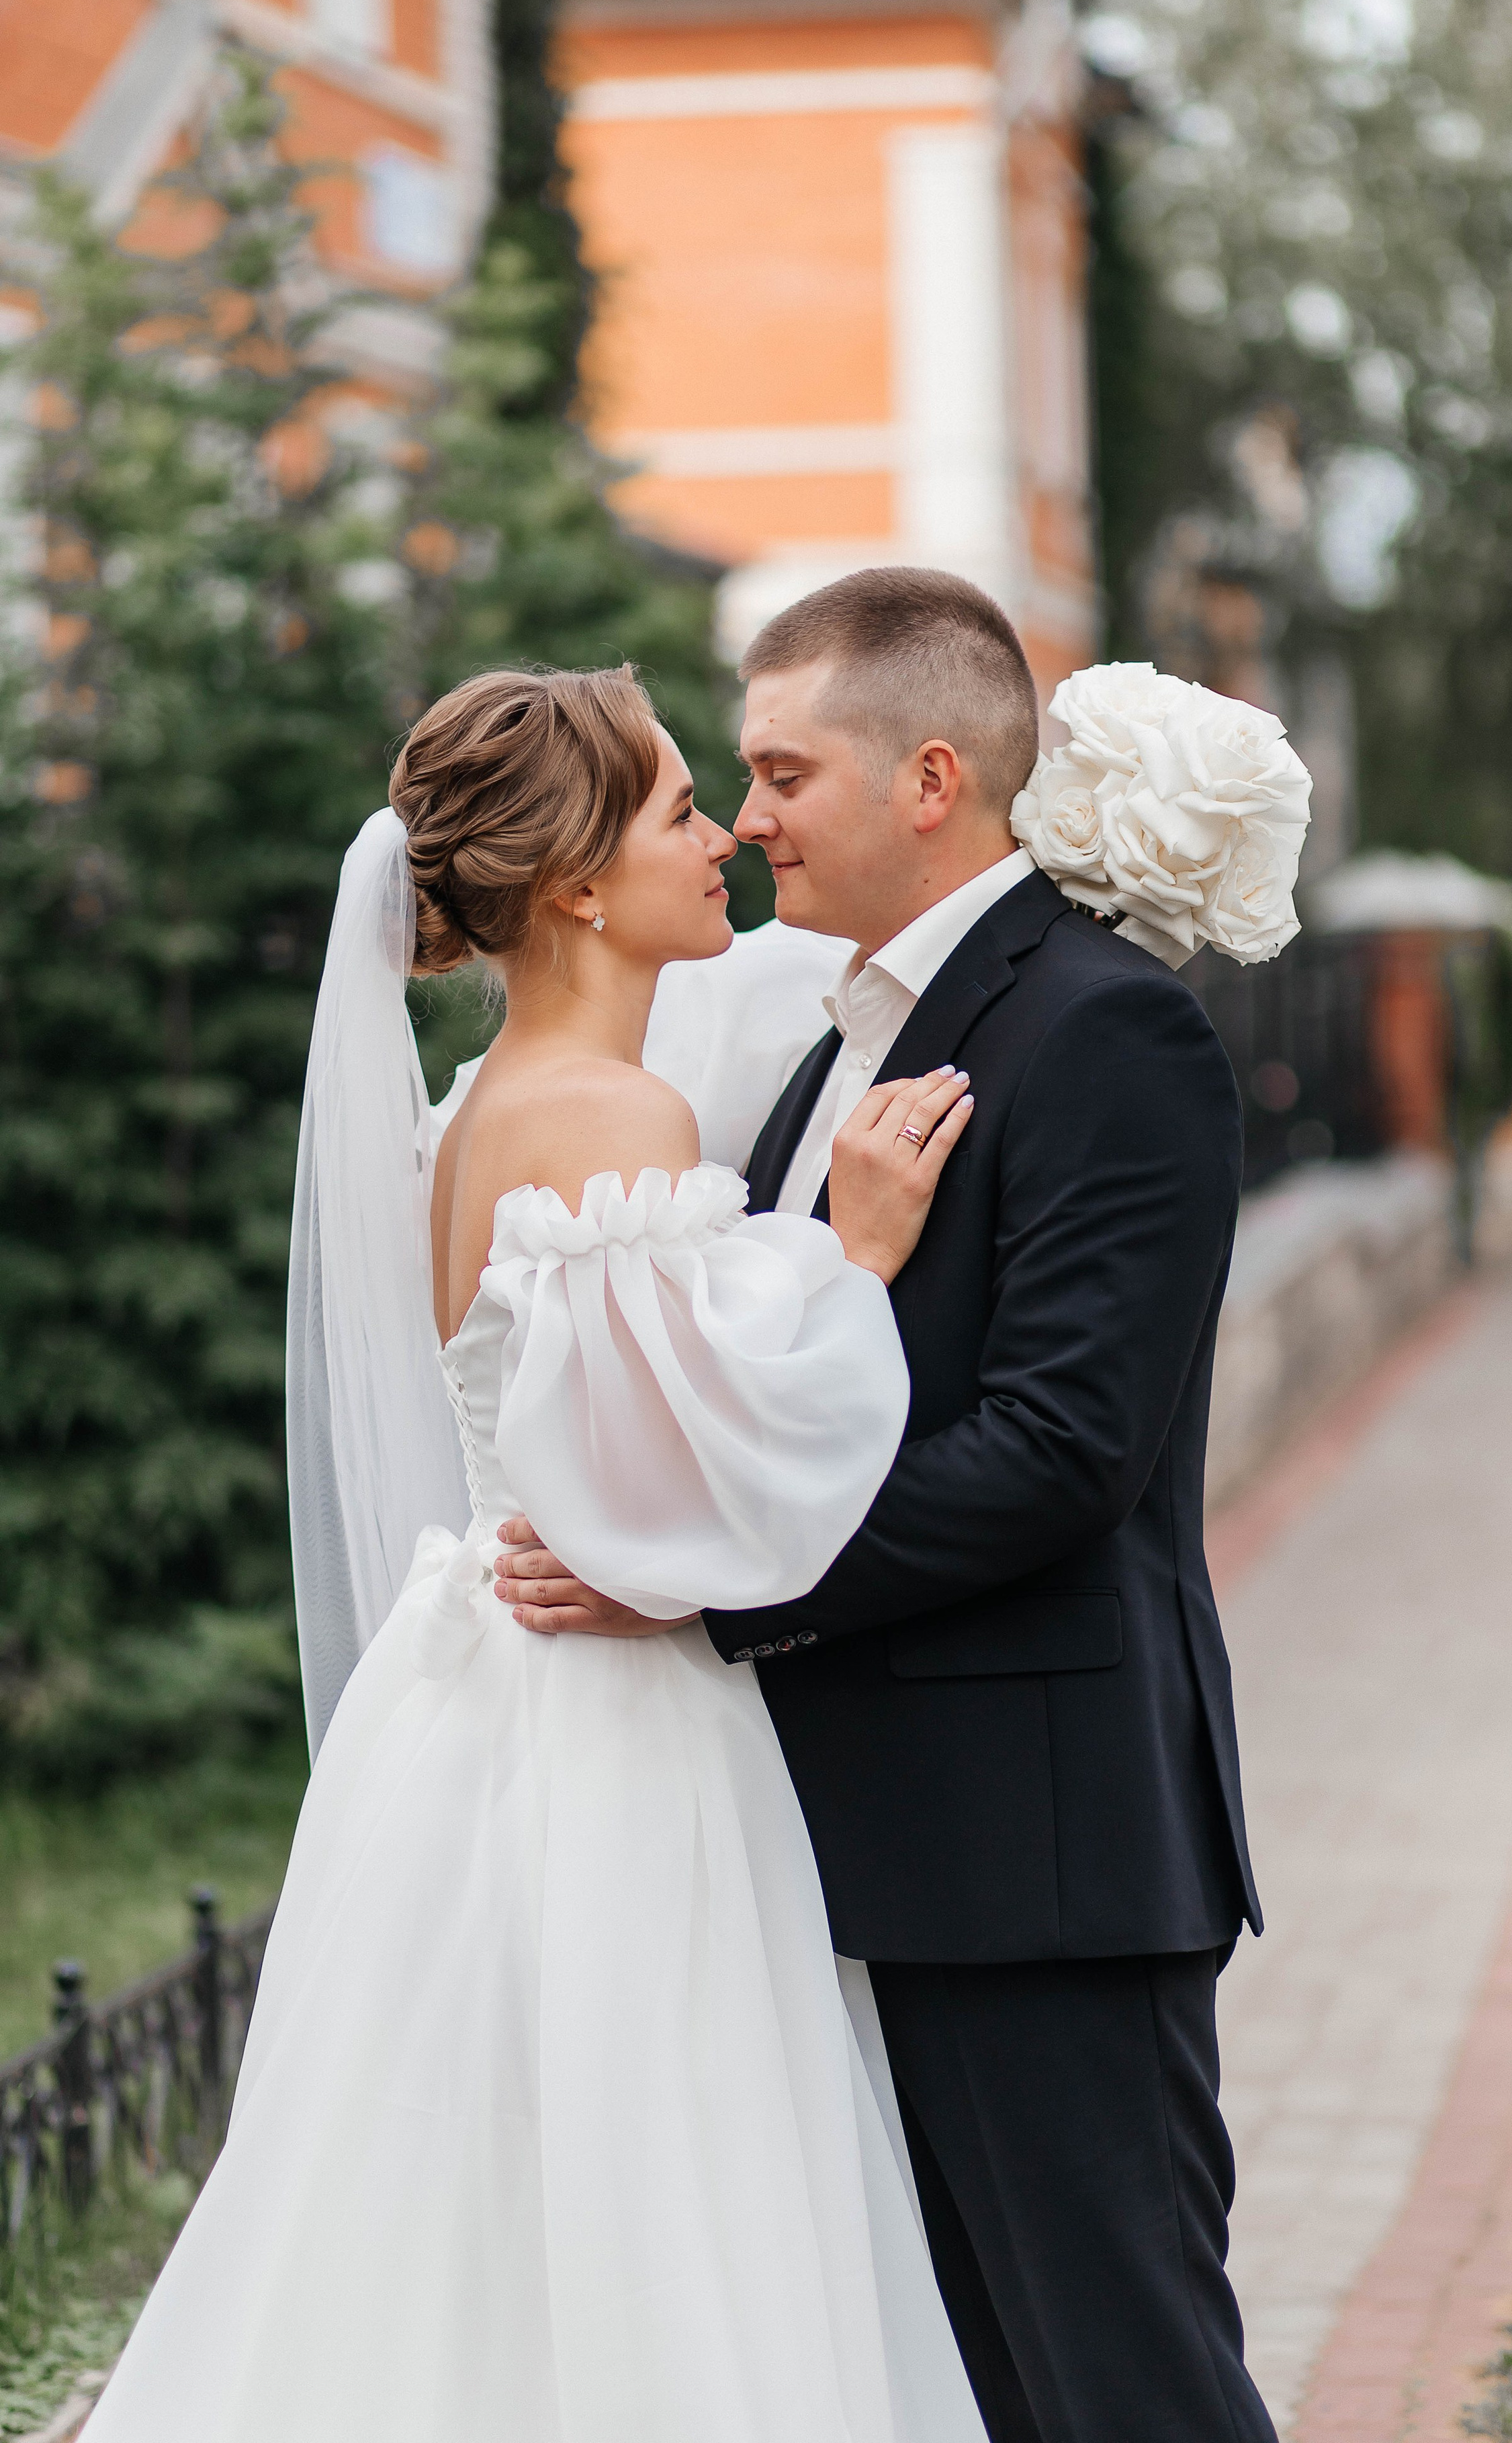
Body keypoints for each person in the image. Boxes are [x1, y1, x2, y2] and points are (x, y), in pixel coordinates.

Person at [84, 666, 990, 2443]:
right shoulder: (608, 1116)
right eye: (681, 810)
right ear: (577, 882)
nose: (725, 837)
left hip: (474, 1697)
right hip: (602, 1723)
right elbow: (682, 1479)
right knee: (654, 2174)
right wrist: (858, 1252)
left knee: (461, 2194)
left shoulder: (482, 1102)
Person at [496, 570, 1278, 2443]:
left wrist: (706, 1591)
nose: (748, 819)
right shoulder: (832, 1044)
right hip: (854, 1845)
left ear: (931, 779)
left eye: (782, 774)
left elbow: (1063, 1452)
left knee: (1126, 2385)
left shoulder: (1103, 1028)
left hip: (1037, 1857)